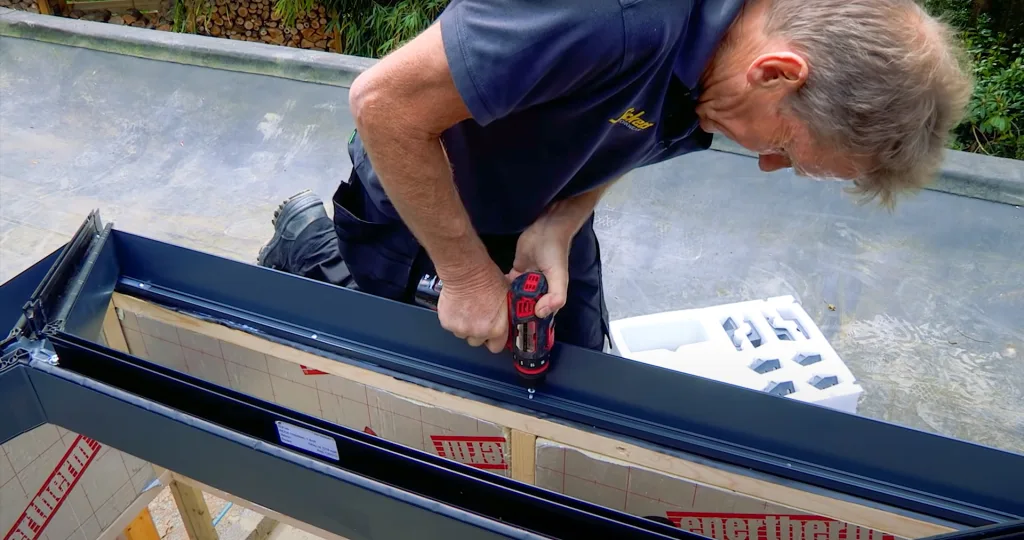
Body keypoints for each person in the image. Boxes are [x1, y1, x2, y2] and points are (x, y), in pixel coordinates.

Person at [257, 0, 973, 355]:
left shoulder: (727, 74)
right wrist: (469, 277)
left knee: (574, 370)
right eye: (787, 146)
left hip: (542, 203)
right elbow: (384, 107)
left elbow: (626, 130)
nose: (766, 163)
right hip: (428, 189)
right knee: (383, 354)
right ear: (778, 73)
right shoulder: (611, 18)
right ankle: (305, 243)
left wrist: (563, 220)